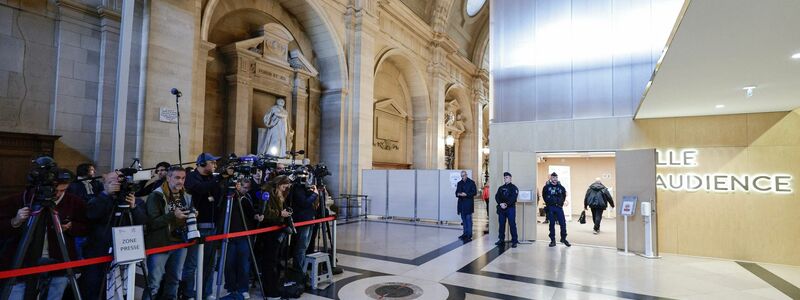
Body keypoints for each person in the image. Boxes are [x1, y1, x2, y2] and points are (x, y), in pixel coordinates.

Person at [0, 168, 89, 300]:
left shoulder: (75, 202)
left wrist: (71, 226)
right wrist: (16, 221)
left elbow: (86, 227)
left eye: (63, 190)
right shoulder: (22, 199)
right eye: (55, 190)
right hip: (23, 263)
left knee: (54, 296)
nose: (58, 194)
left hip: (59, 262)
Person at [80, 171, 147, 300]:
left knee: (120, 287)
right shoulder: (97, 199)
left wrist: (133, 207)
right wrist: (106, 195)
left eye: (119, 181)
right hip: (98, 251)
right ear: (104, 184)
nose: (116, 183)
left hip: (124, 252)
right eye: (112, 181)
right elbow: (91, 215)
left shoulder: (134, 201)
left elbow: (142, 221)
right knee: (94, 286)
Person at [144, 166, 191, 300]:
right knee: (153, 283)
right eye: (177, 177)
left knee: (175, 279)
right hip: (160, 244)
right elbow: (152, 223)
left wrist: (192, 215)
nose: (180, 181)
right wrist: (172, 215)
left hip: (180, 242)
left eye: (183, 178)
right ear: (168, 177)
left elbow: (184, 216)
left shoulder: (185, 195)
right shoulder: (156, 195)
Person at [182, 153, 225, 299]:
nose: (215, 165)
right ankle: (188, 294)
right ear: (201, 164)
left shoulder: (213, 179)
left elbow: (219, 197)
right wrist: (219, 178)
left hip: (212, 226)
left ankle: (206, 293)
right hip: (195, 227)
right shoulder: (191, 177)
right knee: (191, 264)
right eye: (212, 162)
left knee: (209, 263)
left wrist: (226, 182)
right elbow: (199, 189)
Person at [221, 179, 263, 299]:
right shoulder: (229, 196)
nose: (244, 189)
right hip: (229, 235)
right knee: (229, 263)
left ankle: (243, 288)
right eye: (242, 186)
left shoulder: (246, 198)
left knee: (244, 264)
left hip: (244, 235)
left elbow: (252, 213)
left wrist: (257, 216)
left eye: (247, 187)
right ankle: (230, 287)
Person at [258, 175, 293, 300]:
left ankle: (275, 286)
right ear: (279, 183)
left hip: (277, 229)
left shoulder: (278, 193)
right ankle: (270, 289)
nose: (284, 190)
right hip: (269, 231)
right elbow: (265, 211)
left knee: (276, 260)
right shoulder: (267, 192)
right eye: (284, 187)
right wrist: (280, 213)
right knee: (269, 261)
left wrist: (284, 212)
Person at [67, 162, 104, 259]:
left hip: (95, 220)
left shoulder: (96, 184)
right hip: (80, 219)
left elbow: (101, 197)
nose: (94, 172)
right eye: (91, 170)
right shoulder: (74, 185)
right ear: (84, 171)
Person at [290, 178, 319, 279]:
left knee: (305, 246)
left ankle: (302, 269)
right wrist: (315, 194)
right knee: (301, 247)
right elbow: (304, 203)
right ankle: (299, 271)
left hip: (309, 219)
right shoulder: (297, 188)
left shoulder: (305, 188)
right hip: (302, 220)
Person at [542, 172, 570, 247]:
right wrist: (549, 203)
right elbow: (544, 196)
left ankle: (563, 238)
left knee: (563, 223)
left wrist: (561, 203)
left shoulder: (561, 187)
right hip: (551, 207)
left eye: (556, 177)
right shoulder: (546, 187)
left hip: (559, 208)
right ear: (551, 178)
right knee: (552, 224)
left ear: (557, 178)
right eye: (553, 177)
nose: (555, 179)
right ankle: (552, 240)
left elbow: (564, 196)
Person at [495, 172, 519, 248]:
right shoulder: (500, 188)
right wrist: (500, 204)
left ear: (510, 178)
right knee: (501, 224)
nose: (505, 179)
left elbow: (513, 198)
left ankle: (514, 241)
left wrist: (506, 204)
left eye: (507, 177)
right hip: (502, 209)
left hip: (510, 209)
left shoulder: (514, 187)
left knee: (512, 224)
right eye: (505, 177)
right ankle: (501, 239)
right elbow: (497, 197)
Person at [455, 171, 477, 241]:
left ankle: (469, 235)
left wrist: (466, 194)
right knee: (463, 220)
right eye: (461, 176)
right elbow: (456, 192)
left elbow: (474, 192)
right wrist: (458, 194)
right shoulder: (459, 183)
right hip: (461, 204)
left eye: (464, 175)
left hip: (468, 204)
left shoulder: (471, 182)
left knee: (468, 220)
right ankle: (465, 233)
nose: (463, 177)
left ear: (466, 175)